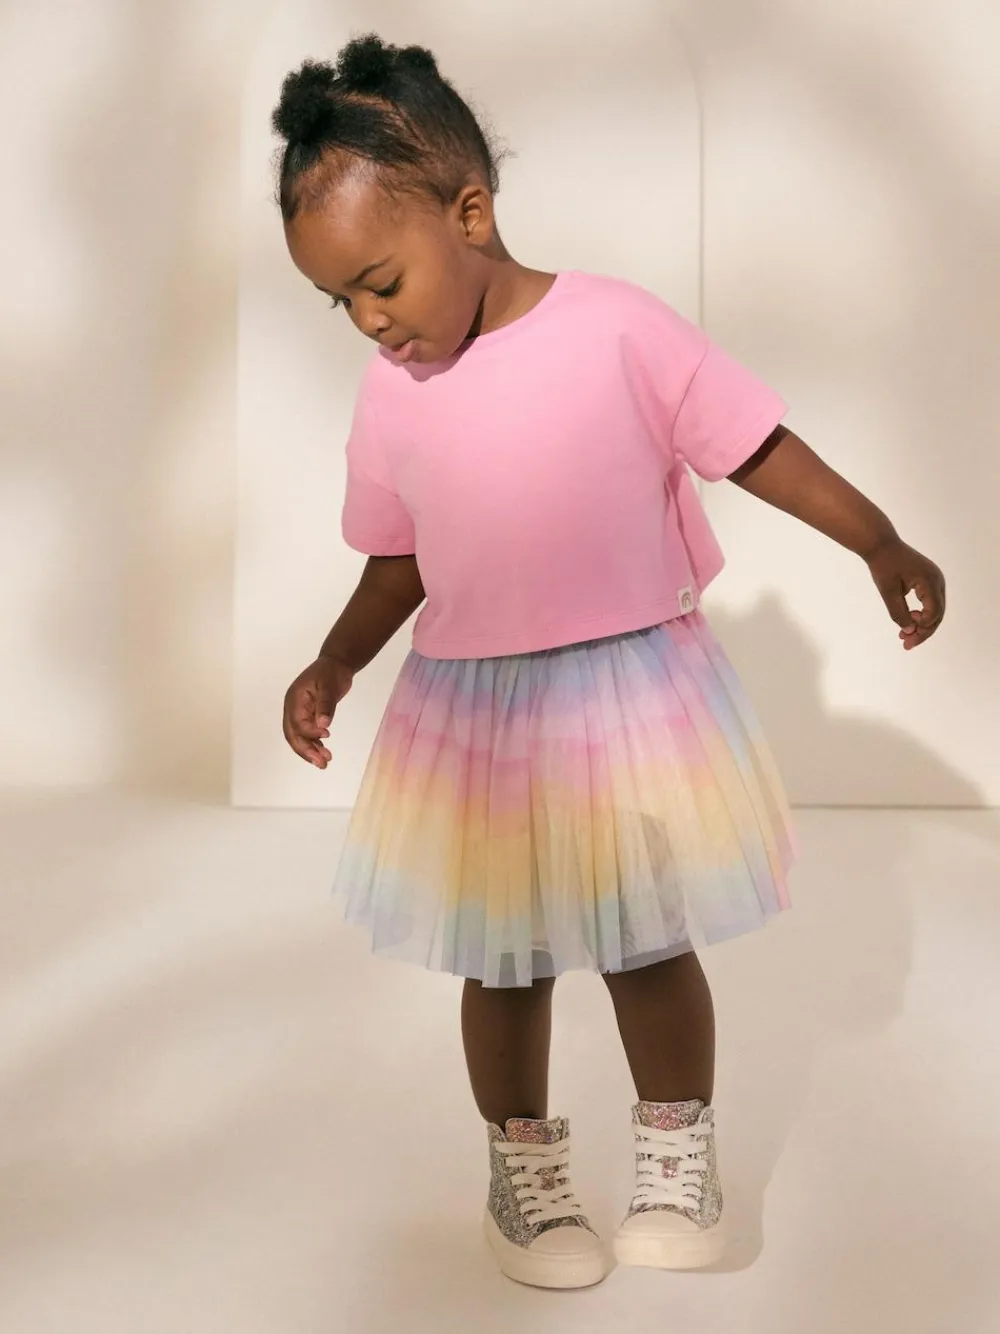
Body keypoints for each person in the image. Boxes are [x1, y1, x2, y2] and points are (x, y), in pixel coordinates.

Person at [270, 35, 946, 1290]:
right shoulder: (391, 392)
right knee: (504, 956)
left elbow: (751, 442)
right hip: (480, 713)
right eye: (341, 301)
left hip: (626, 696)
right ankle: (521, 1168)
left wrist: (876, 538)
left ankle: (678, 1152)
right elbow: (399, 560)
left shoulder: (617, 327)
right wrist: (333, 660)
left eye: (380, 281)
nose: (370, 320)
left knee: (645, 938)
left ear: (470, 213)